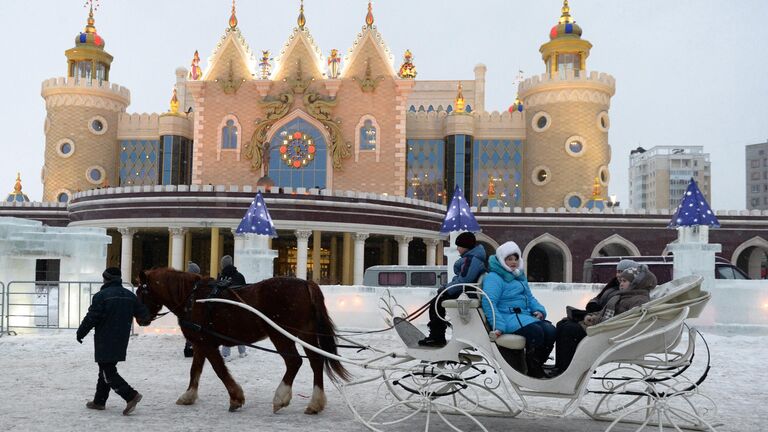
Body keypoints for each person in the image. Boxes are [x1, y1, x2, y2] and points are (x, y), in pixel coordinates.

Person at [76, 267, 150, 415]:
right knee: (105, 369)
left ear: (106, 279)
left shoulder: (101, 296)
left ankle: (131, 395)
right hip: (121, 339)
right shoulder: (130, 296)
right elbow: (144, 316)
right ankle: (99, 401)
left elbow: (92, 317)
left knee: (107, 371)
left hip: (105, 338)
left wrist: (81, 332)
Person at [481, 241, 555, 378]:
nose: (513, 262)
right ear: (502, 260)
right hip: (507, 318)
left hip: (524, 316)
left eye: (515, 258)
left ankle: (538, 363)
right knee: (536, 332)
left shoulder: (518, 277)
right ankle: (532, 370)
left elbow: (530, 298)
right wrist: (499, 325)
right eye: (509, 259)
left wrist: (539, 310)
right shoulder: (494, 277)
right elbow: (489, 302)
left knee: (550, 330)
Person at [553, 259, 639, 374]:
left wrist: (594, 316)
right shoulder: (614, 286)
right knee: (562, 324)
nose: (619, 275)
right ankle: (561, 366)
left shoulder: (627, 291)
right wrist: (593, 305)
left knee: (569, 329)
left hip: (606, 328)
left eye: (622, 272)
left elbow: (617, 313)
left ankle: (568, 371)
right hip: (599, 318)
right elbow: (600, 298)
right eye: (618, 271)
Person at [418, 232, 487, 347]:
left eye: (459, 246)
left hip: (466, 292)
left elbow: (463, 281)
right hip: (467, 291)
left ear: (465, 246)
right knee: (437, 301)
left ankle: (437, 336)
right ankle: (437, 334)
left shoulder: (471, 260)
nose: (458, 249)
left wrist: (446, 290)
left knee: (436, 303)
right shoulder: (474, 258)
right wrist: (446, 288)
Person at [582, 264, 656, 327]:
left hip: (606, 333)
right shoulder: (619, 296)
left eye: (624, 281)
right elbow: (603, 312)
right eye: (621, 281)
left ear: (634, 284)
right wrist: (590, 316)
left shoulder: (639, 300)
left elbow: (624, 323)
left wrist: (595, 320)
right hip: (599, 328)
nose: (621, 284)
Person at [217, 255, 247, 359]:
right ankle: (242, 351)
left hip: (224, 307)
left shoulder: (221, 277)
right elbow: (245, 291)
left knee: (226, 330)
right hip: (237, 306)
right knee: (238, 329)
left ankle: (226, 354)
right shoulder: (239, 276)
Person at [183, 261, 201, 358]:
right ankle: (190, 348)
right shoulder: (192, 283)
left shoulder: (186, 282)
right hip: (191, 309)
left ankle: (189, 348)